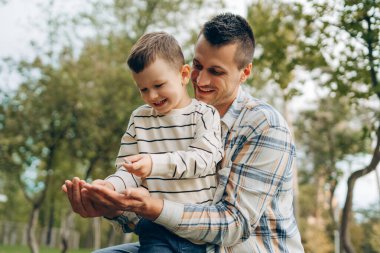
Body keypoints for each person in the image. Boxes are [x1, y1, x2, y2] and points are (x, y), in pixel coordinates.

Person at [63, 13, 304, 253]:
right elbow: (150, 205)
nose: (200, 80)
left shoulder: (265, 126)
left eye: (216, 72)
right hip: (176, 241)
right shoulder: (165, 118)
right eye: (198, 65)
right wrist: (111, 203)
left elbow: (234, 226)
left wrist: (155, 207)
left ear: (245, 72)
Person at [68, 31, 224, 253]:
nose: (152, 96)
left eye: (159, 85)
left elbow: (204, 158)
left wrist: (153, 164)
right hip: (156, 229)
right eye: (143, 89)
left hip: (196, 232)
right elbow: (129, 171)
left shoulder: (204, 114)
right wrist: (110, 187)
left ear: (184, 74)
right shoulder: (140, 119)